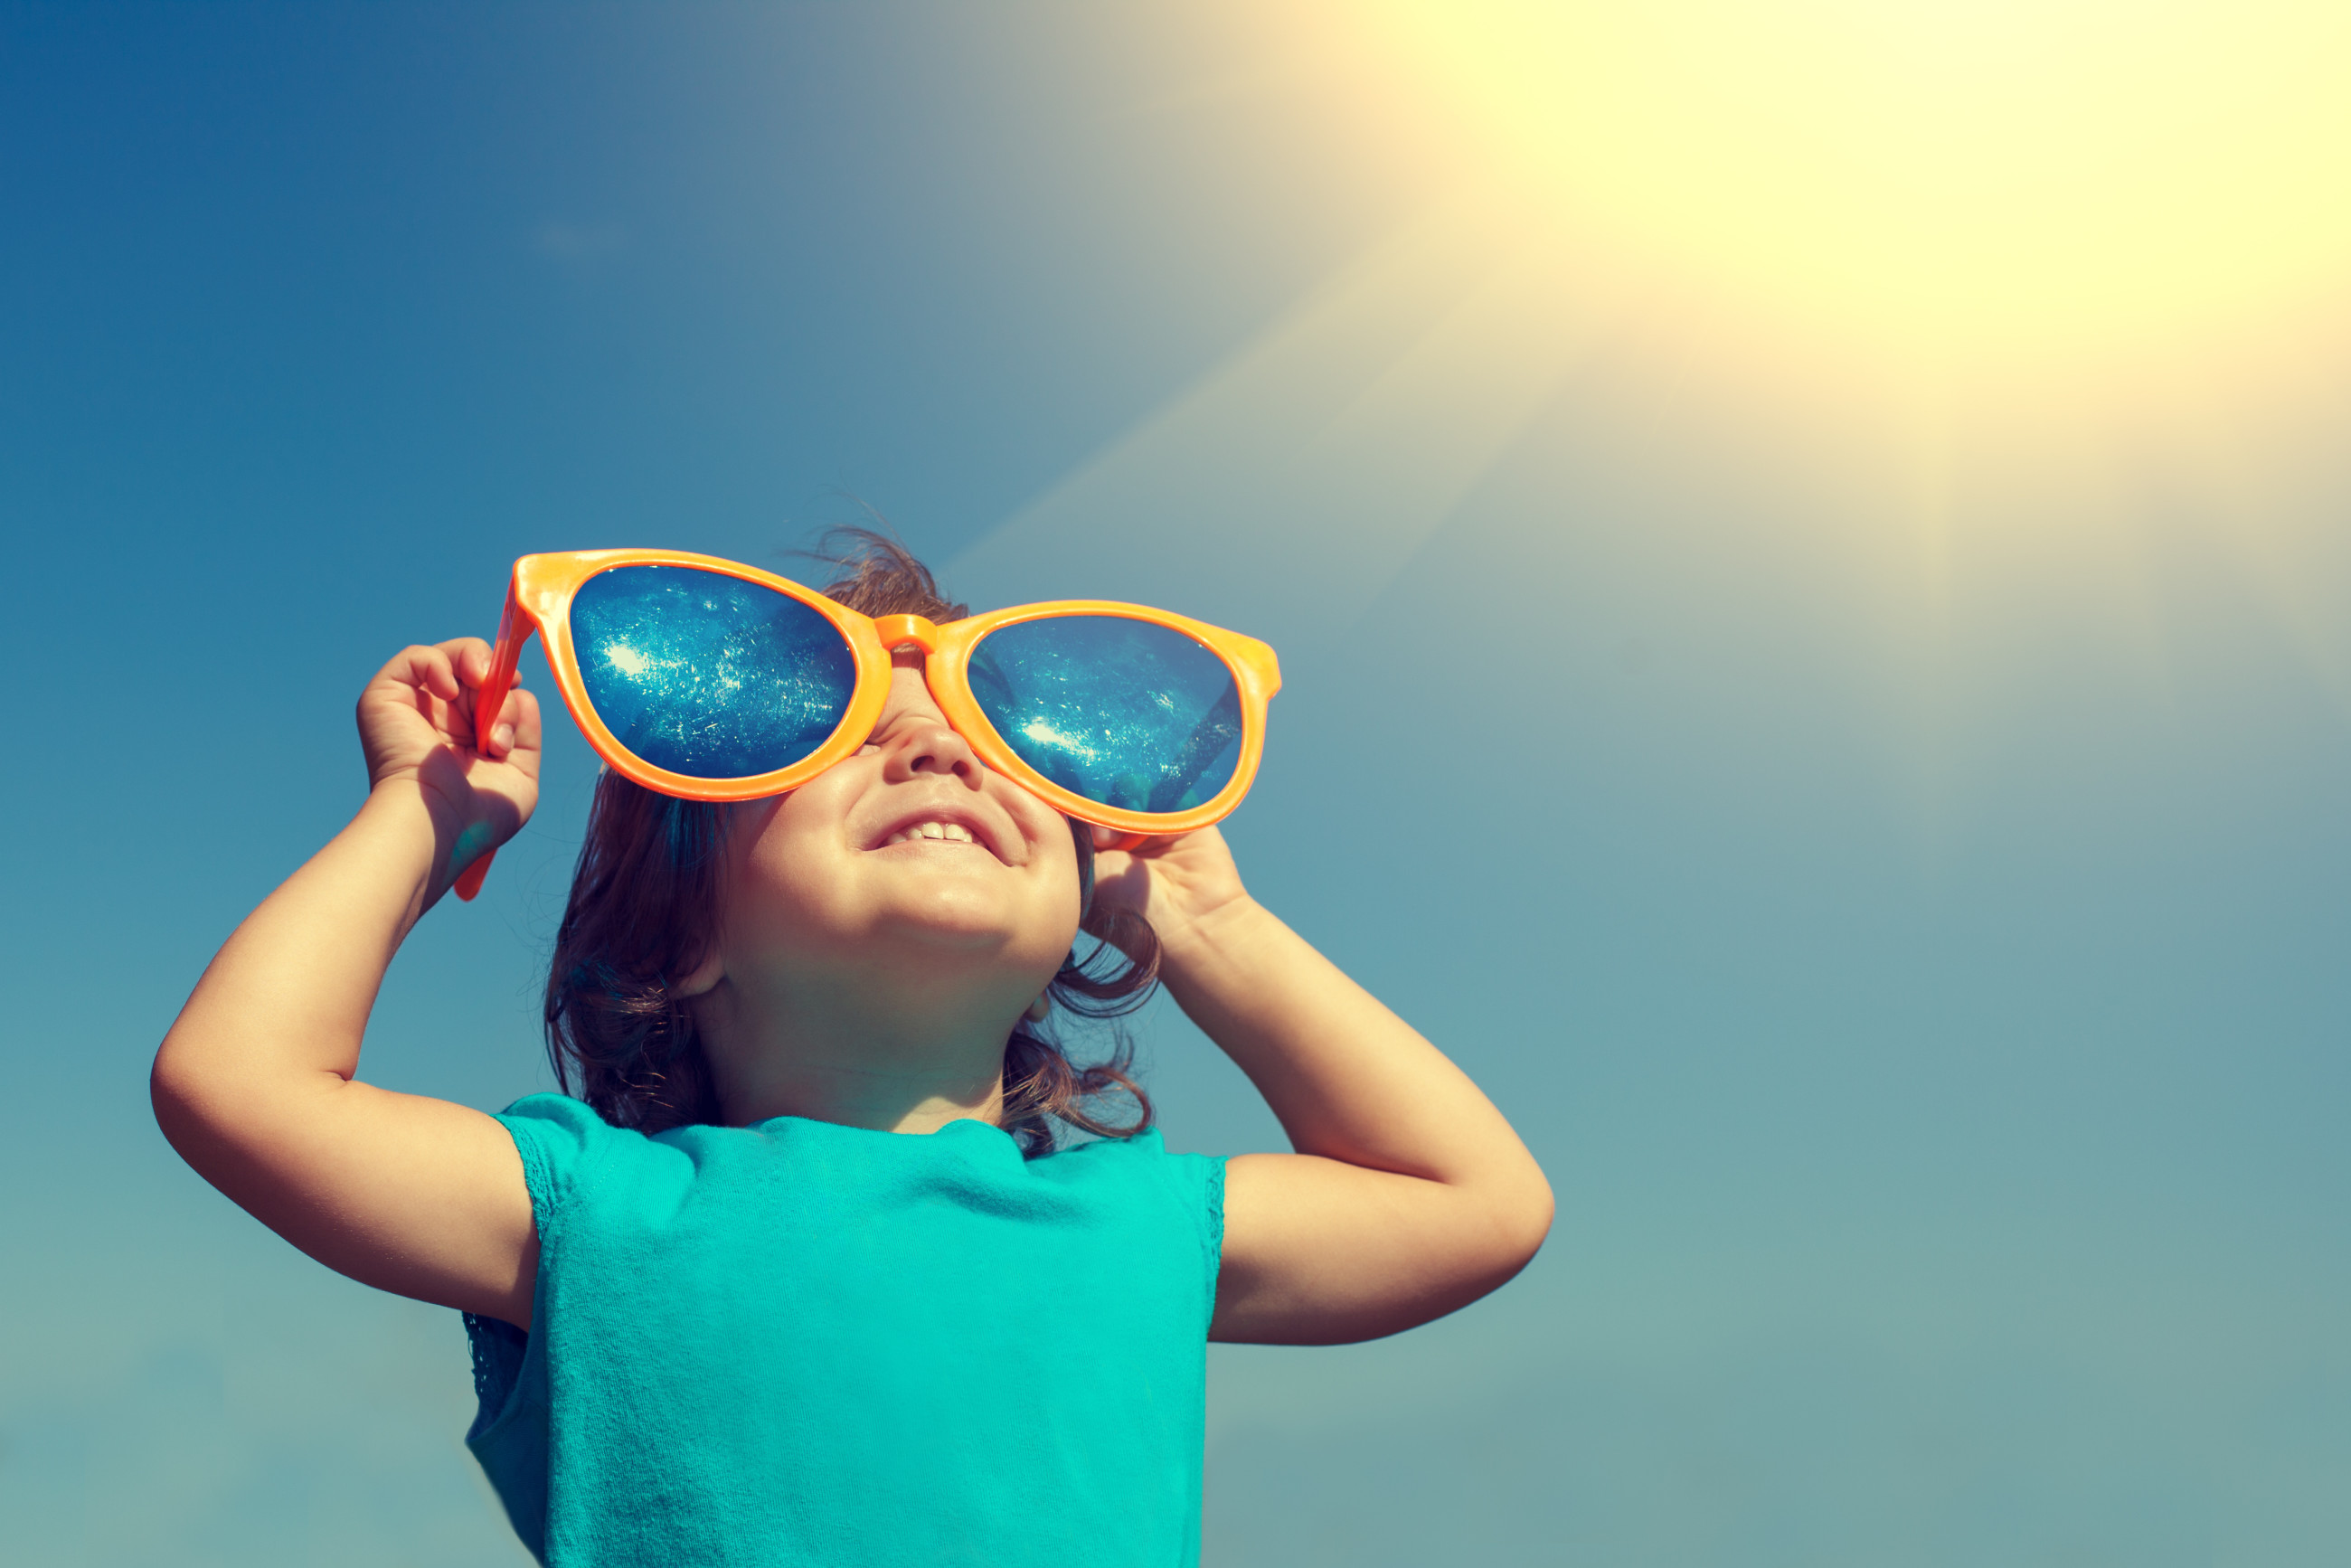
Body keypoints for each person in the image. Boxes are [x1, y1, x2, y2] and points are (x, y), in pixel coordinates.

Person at [153, 534, 1553, 1566]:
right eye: (852, 742)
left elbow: (1478, 1202)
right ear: (679, 930)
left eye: (1000, 756)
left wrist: (1214, 922)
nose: (939, 754)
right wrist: (423, 805)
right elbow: (242, 1084)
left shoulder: (1135, 1221)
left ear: (1081, 903)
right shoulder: (601, 1209)